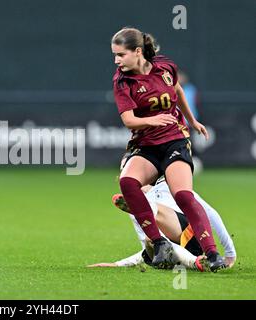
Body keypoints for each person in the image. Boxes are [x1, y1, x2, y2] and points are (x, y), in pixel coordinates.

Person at [111, 27, 226, 271]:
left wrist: (192, 121)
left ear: (138, 52)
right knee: (128, 182)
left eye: (121, 55)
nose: (116, 60)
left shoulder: (165, 67)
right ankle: (159, 243)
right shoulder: (122, 80)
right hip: (146, 145)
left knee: (183, 195)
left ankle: (212, 253)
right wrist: (151, 120)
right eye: (115, 55)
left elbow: (177, 90)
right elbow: (129, 120)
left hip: (174, 140)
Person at [88, 177, 236, 271]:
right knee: (150, 241)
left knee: (151, 211)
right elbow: (148, 249)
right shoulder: (134, 212)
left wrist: (229, 252)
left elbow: (209, 213)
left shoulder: (169, 184)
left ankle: (192, 261)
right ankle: (193, 261)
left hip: (193, 237)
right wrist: (118, 264)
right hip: (175, 252)